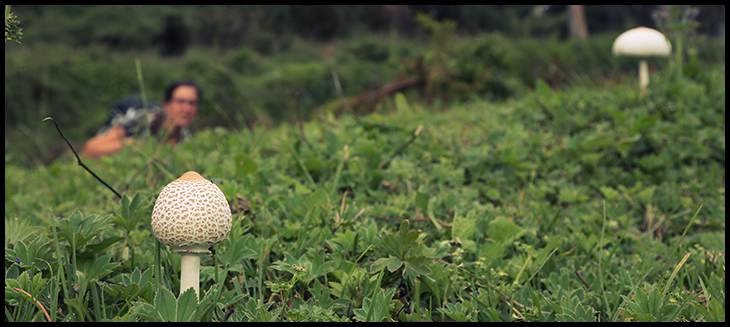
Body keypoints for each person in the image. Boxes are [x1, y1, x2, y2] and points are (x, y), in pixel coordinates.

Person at [81, 81, 202, 158]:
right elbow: (90, 148)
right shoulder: (144, 120)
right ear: (166, 105)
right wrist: (134, 145)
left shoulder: (186, 138)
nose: (187, 109)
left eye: (192, 103)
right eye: (180, 102)